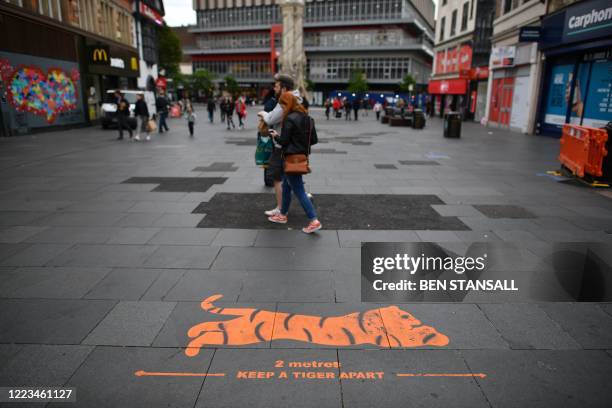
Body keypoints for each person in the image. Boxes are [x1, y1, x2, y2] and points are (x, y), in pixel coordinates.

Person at [268, 91, 321, 234]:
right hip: (301, 157)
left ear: (288, 104)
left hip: (291, 158)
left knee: (299, 191)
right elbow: (314, 140)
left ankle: (314, 220)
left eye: (283, 105)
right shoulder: (308, 118)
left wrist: (275, 136)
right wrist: (301, 143)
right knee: (286, 186)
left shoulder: (289, 119)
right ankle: (283, 215)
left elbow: (284, 141)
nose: (282, 108)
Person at [257, 73, 303, 217]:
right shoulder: (297, 98)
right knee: (289, 177)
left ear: (284, 88)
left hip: (281, 144)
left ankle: (281, 208)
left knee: (277, 178)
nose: (274, 88)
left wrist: (264, 113)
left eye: (277, 86)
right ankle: (293, 203)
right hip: (292, 144)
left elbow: (271, 119)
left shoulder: (285, 100)